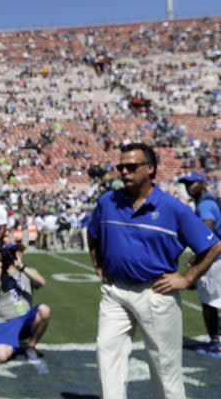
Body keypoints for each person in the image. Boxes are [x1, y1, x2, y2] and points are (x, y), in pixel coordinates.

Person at [88, 143, 221, 399]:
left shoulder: (173, 208)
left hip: (156, 292)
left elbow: (213, 245)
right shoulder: (107, 202)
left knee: (165, 369)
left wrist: (187, 277)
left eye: (131, 166)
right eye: (120, 167)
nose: (124, 172)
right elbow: (93, 233)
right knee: (107, 357)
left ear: (150, 169)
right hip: (115, 292)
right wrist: (97, 263)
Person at [178, 171, 221, 354]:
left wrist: (196, 261)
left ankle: (215, 343)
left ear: (202, 184)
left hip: (213, 260)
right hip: (216, 258)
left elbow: (207, 233)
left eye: (192, 183)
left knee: (210, 303)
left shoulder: (205, 205)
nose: (189, 187)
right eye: (186, 184)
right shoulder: (208, 201)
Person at [0, 242, 50, 363]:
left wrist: (22, 267)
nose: (19, 253)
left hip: (25, 320)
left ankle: (31, 346)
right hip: (5, 322)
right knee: (0, 357)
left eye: (21, 251)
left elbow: (42, 282)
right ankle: (10, 342)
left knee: (44, 310)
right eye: (15, 251)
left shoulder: (27, 271)